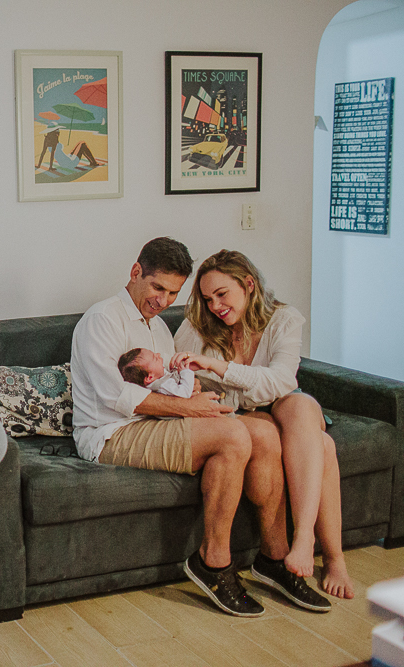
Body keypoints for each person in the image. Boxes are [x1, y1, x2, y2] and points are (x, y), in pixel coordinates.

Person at [71, 237, 328, 618]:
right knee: (234, 434)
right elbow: (116, 398)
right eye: (157, 288)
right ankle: (213, 561)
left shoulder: (158, 329)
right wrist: (189, 408)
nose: (163, 300)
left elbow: (173, 382)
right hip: (110, 433)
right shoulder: (103, 319)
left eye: (173, 293)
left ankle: (274, 556)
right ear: (135, 272)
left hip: (154, 423)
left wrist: (199, 393)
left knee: (264, 433)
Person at [174, 249, 353, 600]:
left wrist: (219, 368)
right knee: (324, 445)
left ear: (249, 285)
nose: (215, 306)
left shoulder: (284, 319)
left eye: (222, 294)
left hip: (284, 405)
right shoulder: (196, 326)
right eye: (208, 298)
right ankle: (330, 557)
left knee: (300, 404)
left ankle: (306, 540)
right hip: (241, 414)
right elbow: (184, 381)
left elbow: (282, 381)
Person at [118, 348, 203, 398]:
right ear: (150, 377)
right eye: (155, 358)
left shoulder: (158, 378)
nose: (158, 354)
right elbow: (185, 393)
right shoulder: (163, 385)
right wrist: (186, 372)